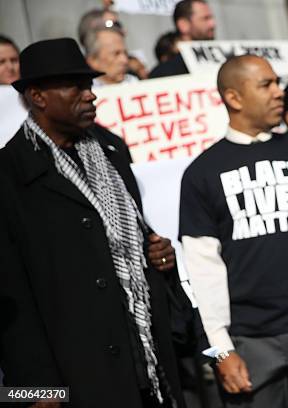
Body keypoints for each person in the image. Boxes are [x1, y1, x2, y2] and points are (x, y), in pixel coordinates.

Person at [0, 38, 185, 408]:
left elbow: (131, 229)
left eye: (89, 85)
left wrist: (159, 254)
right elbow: (8, 295)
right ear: (38, 96)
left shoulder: (112, 151)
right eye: (77, 86)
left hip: (146, 361)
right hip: (74, 376)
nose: (91, 95)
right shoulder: (9, 175)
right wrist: (38, 390)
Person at [179, 55, 288, 408]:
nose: (278, 92)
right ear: (234, 98)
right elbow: (202, 270)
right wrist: (220, 351)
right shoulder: (202, 173)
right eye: (265, 85)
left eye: (277, 82)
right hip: (248, 343)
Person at [149, 0, 216, 78]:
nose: (212, 24)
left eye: (211, 18)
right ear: (183, 25)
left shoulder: (224, 61)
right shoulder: (164, 73)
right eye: (205, 18)